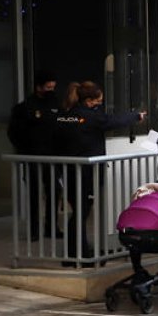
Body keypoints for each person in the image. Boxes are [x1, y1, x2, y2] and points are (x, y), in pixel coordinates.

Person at [53, 81, 145, 261]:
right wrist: (136, 116)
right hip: (85, 172)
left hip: (69, 170)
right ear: (88, 100)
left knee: (78, 212)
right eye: (98, 101)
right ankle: (78, 254)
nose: (100, 104)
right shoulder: (89, 117)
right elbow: (114, 121)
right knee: (81, 213)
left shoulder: (66, 115)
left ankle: (75, 252)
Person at [7, 70, 59, 239]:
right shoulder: (25, 108)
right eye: (47, 87)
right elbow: (14, 133)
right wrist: (25, 150)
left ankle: (51, 227)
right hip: (33, 157)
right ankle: (34, 230)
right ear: (38, 87)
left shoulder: (56, 104)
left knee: (54, 191)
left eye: (53, 87)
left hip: (53, 157)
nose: (51, 90)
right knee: (35, 194)